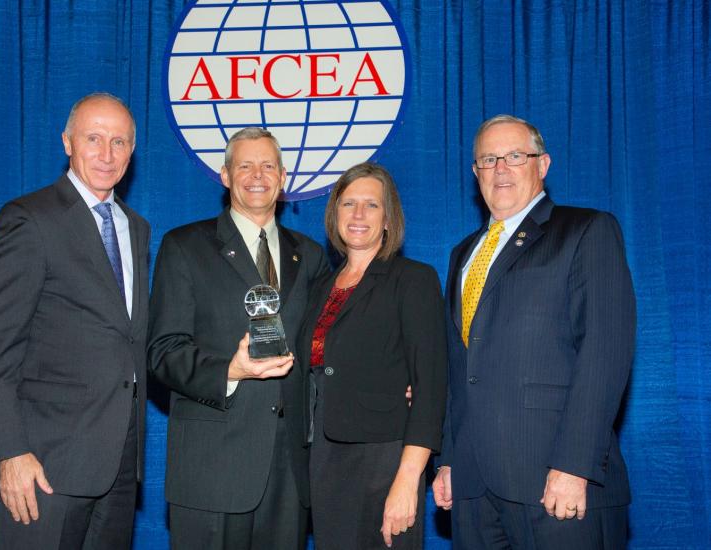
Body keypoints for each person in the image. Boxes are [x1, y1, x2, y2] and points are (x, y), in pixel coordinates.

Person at [432, 115, 635, 549]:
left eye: (515, 156)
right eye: (489, 159)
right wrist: (449, 459)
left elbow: (604, 355)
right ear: (475, 172)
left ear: (542, 165)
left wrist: (574, 466)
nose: (501, 168)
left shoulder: (586, 231)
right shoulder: (462, 255)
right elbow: (458, 369)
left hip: (554, 483)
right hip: (474, 490)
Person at [0, 92, 149, 548]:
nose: (107, 154)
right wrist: (9, 452)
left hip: (119, 467)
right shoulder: (28, 219)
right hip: (42, 468)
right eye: (94, 138)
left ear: (132, 150)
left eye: (120, 142)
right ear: (67, 142)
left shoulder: (136, 227)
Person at [147, 127, 328, 549]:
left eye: (268, 165)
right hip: (213, 464)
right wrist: (228, 371)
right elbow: (162, 350)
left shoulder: (311, 254)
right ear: (225, 175)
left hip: (288, 472)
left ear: (283, 177)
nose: (257, 175)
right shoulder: (185, 246)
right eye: (244, 165)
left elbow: (323, 350)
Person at [296, 162, 447, 549]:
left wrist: (408, 479)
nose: (358, 215)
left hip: (385, 463)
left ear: (387, 218)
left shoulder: (413, 279)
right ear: (334, 214)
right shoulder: (320, 287)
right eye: (348, 204)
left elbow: (430, 387)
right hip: (325, 460)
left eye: (371, 205)